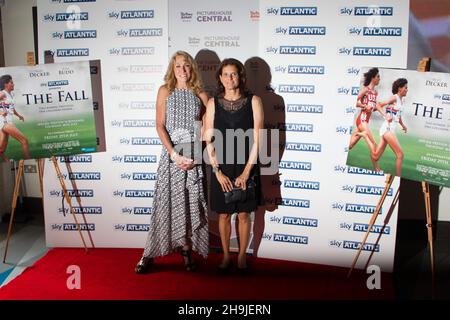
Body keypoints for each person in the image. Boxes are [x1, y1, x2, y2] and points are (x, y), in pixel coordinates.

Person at [135, 51, 209, 274]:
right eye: (178, 66)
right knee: (164, 204)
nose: (182, 70)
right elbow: (159, 125)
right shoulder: (165, 91)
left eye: (186, 66)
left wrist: (195, 156)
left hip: (193, 157)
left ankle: (186, 249)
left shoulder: (202, 95)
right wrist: (174, 154)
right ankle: (149, 252)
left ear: (192, 68)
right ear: (172, 69)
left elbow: (206, 129)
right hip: (171, 157)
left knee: (188, 204)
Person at [204, 58, 264, 273]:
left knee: (244, 214)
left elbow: (258, 139)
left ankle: (241, 257)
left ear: (241, 76)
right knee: (223, 214)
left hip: (247, 164)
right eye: (225, 75)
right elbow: (208, 139)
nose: (230, 78)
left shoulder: (254, 101)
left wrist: (247, 172)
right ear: (220, 78)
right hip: (222, 166)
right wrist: (217, 171)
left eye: (234, 74)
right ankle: (226, 256)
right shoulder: (213, 103)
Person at [360, 78, 408, 177]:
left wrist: (403, 125)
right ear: (400, 89)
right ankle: (399, 178)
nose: (407, 90)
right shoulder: (394, 98)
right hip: (387, 129)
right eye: (406, 88)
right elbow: (378, 105)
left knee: (376, 156)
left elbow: (398, 115)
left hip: (390, 130)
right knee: (400, 155)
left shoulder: (402, 100)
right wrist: (385, 115)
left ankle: (365, 136)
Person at [348, 68, 388, 171]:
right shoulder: (366, 90)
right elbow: (354, 102)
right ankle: (377, 169)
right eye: (378, 76)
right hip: (361, 120)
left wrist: (381, 108)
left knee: (350, 145)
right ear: (373, 78)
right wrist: (365, 106)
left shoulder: (375, 93)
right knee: (374, 143)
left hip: (365, 121)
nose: (379, 79)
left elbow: (373, 108)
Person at [0, 75, 30, 160]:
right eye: (11, 82)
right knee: (24, 141)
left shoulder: (11, 94)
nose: (13, 84)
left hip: (8, 122)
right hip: (4, 122)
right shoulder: (2, 93)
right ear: (6, 84)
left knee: (1, 150)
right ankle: (28, 159)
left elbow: (11, 108)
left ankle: (7, 164)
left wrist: (18, 115)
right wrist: (1, 112)